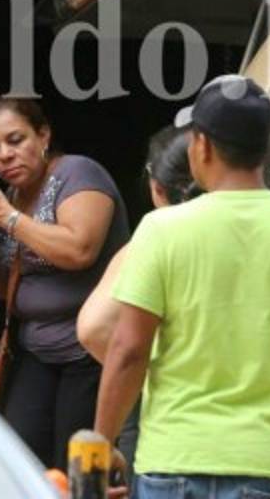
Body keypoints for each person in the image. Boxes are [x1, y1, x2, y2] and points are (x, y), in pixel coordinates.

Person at [94, 75, 270, 499]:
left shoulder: (162, 230)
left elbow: (129, 350)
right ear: (266, 146)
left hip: (174, 464)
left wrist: (103, 445)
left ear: (200, 145)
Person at [0, 97, 129, 471]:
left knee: (76, 467)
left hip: (88, 351)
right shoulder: (12, 197)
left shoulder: (77, 174)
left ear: (43, 135)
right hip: (38, 351)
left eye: (15, 139)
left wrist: (6, 218)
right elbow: (8, 282)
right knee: (20, 458)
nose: (5, 154)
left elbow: (79, 248)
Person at [76, 126, 199, 478]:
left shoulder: (159, 234)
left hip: (162, 418)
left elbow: (94, 328)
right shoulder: (268, 231)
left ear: (155, 185)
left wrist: (151, 376)